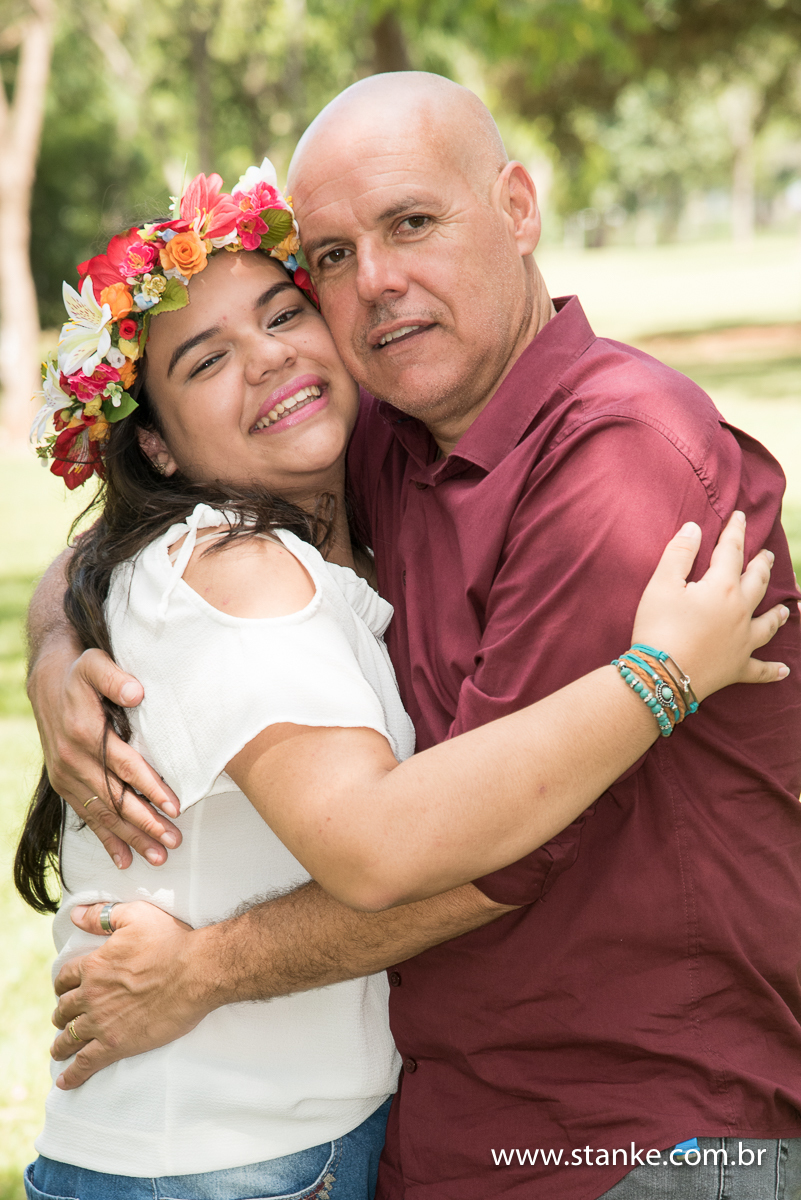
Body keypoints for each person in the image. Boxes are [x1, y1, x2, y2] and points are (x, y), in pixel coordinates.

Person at [28, 74, 801, 1200]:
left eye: (412, 224)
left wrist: (204, 969)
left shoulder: (619, 463)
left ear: (520, 210)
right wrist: (59, 650)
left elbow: (484, 856)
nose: (377, 282)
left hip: (647, 1128)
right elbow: (137, 532)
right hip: (448, 1124)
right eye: (331, 257)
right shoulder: (388, 439)